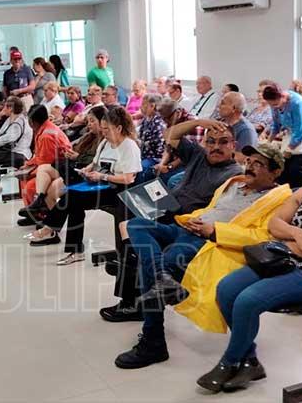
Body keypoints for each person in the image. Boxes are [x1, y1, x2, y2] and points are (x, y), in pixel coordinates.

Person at [197, 143, 302, 393]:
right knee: (226, 288)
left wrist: (283, 241)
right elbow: (273, 224)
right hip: (286, 262)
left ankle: (229, 362)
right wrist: (298, 234)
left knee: (247, 300)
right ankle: (249, 360)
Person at [114, 144, 290, 369]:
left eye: (259, 164)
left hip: (210, 241)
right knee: (136, 225)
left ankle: (153, 340)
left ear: (275, 172)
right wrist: (192, 219)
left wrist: (214, 231)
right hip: (188, 226)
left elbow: (263, 236)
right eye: (249, 161)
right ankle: (161, 279)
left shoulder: (278, 199)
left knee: (160, 261)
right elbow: (212, 209)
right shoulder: (233, 183)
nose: (250, 166)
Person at [100, 126, 243, 322]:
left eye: (223, 142)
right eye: (211, 141)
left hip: (186, 217)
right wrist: (202, 121)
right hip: (168, 203)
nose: (216, 147)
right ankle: (131, 260)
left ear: (234, 145)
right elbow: (170, 133)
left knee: (131, 230)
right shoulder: (199, 155)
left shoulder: (234, 174)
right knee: (124, 206)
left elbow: (221, 211)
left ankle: (130, 268)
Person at [28, 107, 141, 266]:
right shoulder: (105, 143)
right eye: (102, 129)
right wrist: (86, 171)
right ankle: (72, 248)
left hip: (119, 191)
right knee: (73, 198)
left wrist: (102, 176)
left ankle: (51, 228)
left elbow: (129, 178)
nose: (104, 133)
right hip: (102, 186)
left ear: (119, 128)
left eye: (106, 129)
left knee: (73, 198)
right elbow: (94, 164)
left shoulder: (129, 146)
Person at [16, 105, 73, 227]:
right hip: (51, 166)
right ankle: (32, 214)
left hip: (59, 169)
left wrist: (30, 172)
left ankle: (42, 215)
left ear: (32, 122)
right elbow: (40, 155)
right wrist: (29, 164)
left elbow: (47, 162)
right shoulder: (44, 128)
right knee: (23, 181)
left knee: (30, 186)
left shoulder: (46, 136)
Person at [263, 83, 302, 188]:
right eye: (271, 105)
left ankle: (297, 193)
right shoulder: (274, 104)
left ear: (283, 96)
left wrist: (289, 149)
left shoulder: (298, 103)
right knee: (281, 167)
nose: (274, 107)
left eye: (276, 104)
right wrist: (268, 143)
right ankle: (281, 192)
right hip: (293, 136)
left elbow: (299, 130)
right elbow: (276, 125)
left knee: (295, 168)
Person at [135, 94, 166, 184]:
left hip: (155, 157)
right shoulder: (146, 119)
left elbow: (157, 145)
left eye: (144, 104)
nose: (141, 107)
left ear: (152, 106)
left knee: (141, 167)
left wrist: (140, 142)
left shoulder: (158, 122)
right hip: (143, 154)